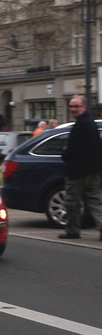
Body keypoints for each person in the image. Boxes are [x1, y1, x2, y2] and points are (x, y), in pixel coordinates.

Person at [59, 95, 102, 240]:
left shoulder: (82, 124)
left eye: (76, 106)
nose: (73, 109)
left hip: (77, 171)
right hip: (92, 170)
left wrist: (65, 157)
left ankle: (72, 231)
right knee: (95, 202)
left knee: (72, 202)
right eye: (71, 106)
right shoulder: (90, 122)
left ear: (84, 107)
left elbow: (74, 147)